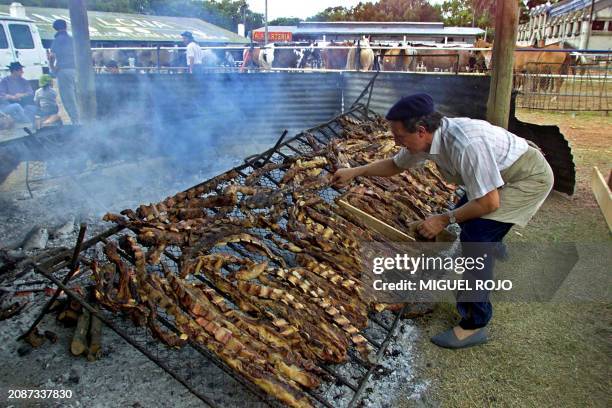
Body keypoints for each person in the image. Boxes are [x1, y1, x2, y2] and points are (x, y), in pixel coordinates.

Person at [332, 93, 554, 349]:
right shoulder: (427, 141)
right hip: (499, 175)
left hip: (525, 178)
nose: (395, 142)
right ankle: (494, 241)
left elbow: (489, 203)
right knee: (470, 218)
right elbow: (395, 165)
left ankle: (474, 323)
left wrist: (443, 219)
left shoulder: (465, 144)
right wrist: (355, 171)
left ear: (422, 131)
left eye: (399, 137)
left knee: (476, 238)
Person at [49, 19, 79, 124]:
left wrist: (52, 67)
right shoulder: (72, 39)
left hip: (64, 70)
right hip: (76, 70)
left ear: (55, 28)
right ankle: (82, 118)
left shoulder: (57, 40)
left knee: (68, 98)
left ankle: (76, 122)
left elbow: (51, 56)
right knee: (76, 95)